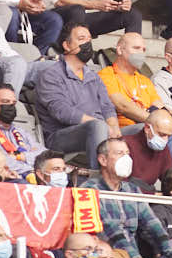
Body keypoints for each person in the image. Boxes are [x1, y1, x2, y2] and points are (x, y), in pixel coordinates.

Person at [36, 22, 121, 167]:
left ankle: (138, 185)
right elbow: (62, 111)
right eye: (81, 39)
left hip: (101, 128)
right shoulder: (51, 74)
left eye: (89, 39)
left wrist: (114, 128)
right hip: (61, 135)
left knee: (146, 129)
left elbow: (107, 107)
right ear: (67, 45)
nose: (87, 43)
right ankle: (98, 180)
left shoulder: (94, 77)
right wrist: (101, 125)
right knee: (97, 126)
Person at [82, 137, 172, 258]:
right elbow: (108, 229)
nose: (126, 158)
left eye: (127, 153)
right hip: (104, 256)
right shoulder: (89, 190)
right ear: (103, 160)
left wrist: (169, 251)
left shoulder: (132, 190)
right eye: (119, 153)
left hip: (132, 256)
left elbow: (152, 224)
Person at [0, 84, 43, 179]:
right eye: (5, 102)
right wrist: (28, 171)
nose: (10, 106)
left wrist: (22, 157)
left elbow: (44, 155)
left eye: (13, 103)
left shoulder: (21, 131)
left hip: (33, 175)